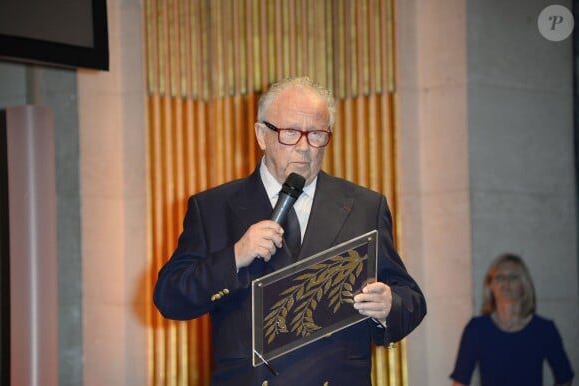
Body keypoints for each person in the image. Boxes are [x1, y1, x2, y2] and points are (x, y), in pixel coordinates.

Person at [153, 76, 427, 386]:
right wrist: (234, 257)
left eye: (317, 135)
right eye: (291, 133)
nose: (305, 148)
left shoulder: (365, 205)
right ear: (261, 135)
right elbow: (170, 298)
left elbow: (411, 299)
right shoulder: (214, 207)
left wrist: (390, 305)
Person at [450, 253, 574, 386]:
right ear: (491, 286)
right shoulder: (476, 329)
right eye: (499, 277)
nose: (505, 282)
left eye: (513, 277)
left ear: (523, 285)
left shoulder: (544, 330)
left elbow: (565, 377)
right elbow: (460, 382)